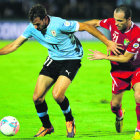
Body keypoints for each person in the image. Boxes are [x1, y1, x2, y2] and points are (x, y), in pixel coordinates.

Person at [0, 4, 121, 138]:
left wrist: (107, 42)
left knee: (57, 95)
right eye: (33, 24)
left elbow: (86, 26)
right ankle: (47, 126)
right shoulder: (32, 28)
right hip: (54, 58)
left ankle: (69, 120)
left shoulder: (60, 24)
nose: (35, 27)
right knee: (37, 98)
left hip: (72, 59)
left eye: (38, 24)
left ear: (45, 18)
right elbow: (14, 45)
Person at [86, 5, 140, 139]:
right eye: (115, 20)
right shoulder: (112, 23)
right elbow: (95, 23)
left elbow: (126, 58)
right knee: (114, 105)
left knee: (139, 96)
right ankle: (119, 114)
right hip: (118, 72)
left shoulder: (136, 33)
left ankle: (138, 130)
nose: (116, 23)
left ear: (129, 19)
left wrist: (104, 56)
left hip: (135, 69)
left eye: (120, 21)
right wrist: (79, 27)